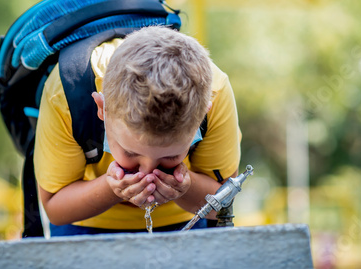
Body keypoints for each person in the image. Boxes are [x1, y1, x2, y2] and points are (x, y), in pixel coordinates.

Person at [34, 26, 241, 236]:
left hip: (185, 218)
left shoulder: (215, 91)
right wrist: (110, 188)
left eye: (171, 156)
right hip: (83, 220)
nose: (147, 172)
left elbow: (223, 205)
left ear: (201, 117)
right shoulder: (66, 93)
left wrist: (185, 187)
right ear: (102, 109)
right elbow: (54, 209)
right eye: (131, 153)